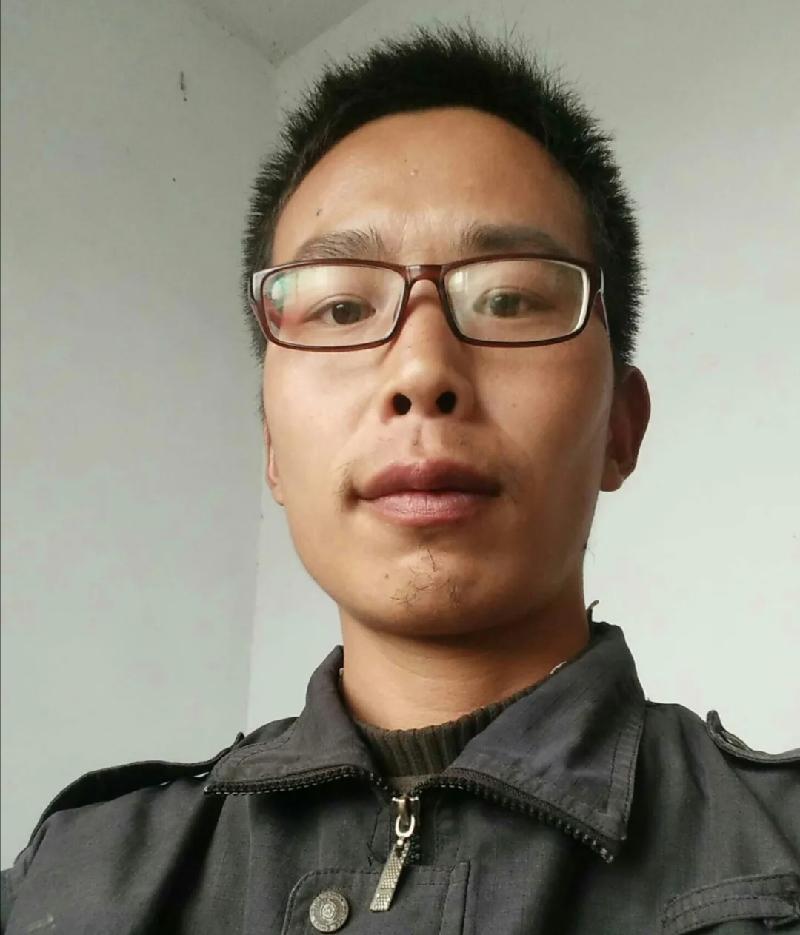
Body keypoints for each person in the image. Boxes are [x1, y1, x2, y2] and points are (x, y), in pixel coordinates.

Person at [2, 25, 798, 935]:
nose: (422, 369)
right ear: (272, 448)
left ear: (622, 424)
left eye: (508, 298)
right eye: (342, 305)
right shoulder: (68, 880)